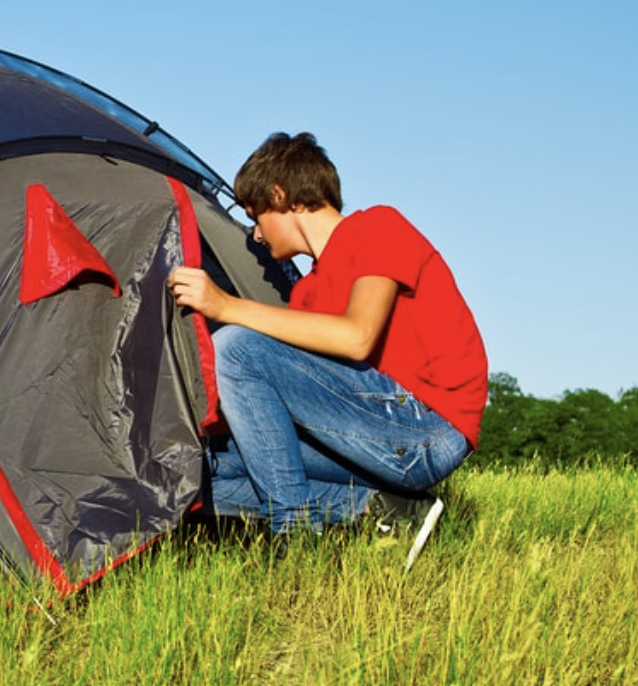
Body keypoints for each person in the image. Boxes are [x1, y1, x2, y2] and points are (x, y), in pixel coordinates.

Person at [167, 132, 486, 566]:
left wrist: (227, 307)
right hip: (369, 440)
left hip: (427, 428)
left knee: (238, 347)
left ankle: (296, 541)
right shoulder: (308, 295)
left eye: (256, 216)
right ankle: (387, 509)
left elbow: (358, 336)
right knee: (203, 469)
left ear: (281, 195)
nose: (257, 236)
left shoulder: (376, 227)